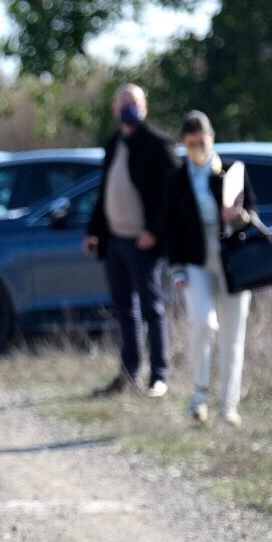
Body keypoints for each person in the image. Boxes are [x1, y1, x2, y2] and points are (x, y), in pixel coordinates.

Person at [163, 111, 258, 426]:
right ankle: (199, 394)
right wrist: (176, 268)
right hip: (196, 260)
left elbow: (252, 214)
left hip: (232, 259)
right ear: (183, 144)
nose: (197, 149)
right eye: (191, 144)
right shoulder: (177, 179)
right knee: (203, 323)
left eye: (201, 142)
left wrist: (236, 215)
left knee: (233, 335)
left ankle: (228, 406)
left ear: (211, 139)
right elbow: (171, 228)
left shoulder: (231, 171)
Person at [85, 83, 179, 397]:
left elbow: (170, 195)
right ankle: (128, 373)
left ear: (145, 107)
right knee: (125, 309)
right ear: (114, 109)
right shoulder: (114, 143)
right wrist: (94, 231)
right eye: (123, 102)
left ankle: (159, 376)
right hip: (115, 241)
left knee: (152, 308)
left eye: (134, 102)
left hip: (144, 242)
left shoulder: (157, 144)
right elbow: (104, 192)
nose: (128, 107)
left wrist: (154, 230)